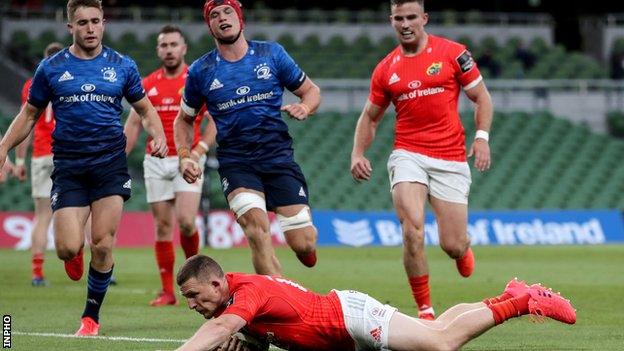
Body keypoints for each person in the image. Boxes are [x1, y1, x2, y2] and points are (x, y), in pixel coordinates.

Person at [0, 0, 167, 336]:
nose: (90, 29)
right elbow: (29, 115)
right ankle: (72, 253)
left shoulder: (122, 65)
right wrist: (3, 147)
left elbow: (146, 110)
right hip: (70, 167)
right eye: (82, 23)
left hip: (109, 165)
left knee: (103, 244)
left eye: (95, 21)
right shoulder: (51, 68)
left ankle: (91, 317)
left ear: (103, 23)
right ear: (70, 28)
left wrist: (159, 135)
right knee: (66, 247)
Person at [350, 0, 494, 320]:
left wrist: (481, 137)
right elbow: (370, 118)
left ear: (424, 18)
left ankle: (462, 249)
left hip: (450, 156)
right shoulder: (386, 68)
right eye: (399, 18)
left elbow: (481, 97)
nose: (405, 23)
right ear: (391, 21)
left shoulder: (454, 53)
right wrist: (357, 153)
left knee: (453, 245)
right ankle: (425, 309)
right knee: (412, 229)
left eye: (412, 17)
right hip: (408, 154)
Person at [174, 0, 321, 276]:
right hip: (237, 163)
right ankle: (279, 308)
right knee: (256, 231)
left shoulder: (272, 54)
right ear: (210, 26)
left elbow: (311, 91)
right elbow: (184, 119)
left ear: (241, 20)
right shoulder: (201, 70)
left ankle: (304, 246)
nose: (223, 18)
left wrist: (305, 107)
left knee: (304, 243)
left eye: (228, 12)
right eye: (215, 15)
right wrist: (184, 156)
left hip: (278, 158)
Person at [175, 254, 576, 351]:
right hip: (345, 328)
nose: (192, 304)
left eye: (194, 295)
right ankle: (509, 294)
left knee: (441, 344)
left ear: (215, 282)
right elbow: (255, 334)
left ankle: (521, 302)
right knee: (436, 331)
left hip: (350, 318)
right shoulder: (234, 297)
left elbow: (219, 328)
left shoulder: (245, 294)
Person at [124, 24, 215, 307]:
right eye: (164, 45)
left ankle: (196, 279)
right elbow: (133, 124)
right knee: (163, 227)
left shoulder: (196, 80)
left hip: (187, 159)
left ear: (184, 48)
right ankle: (167, 291)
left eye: (174, 44)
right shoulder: (147, 83)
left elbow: (212, 123)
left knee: (187, 222)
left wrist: (199, 150)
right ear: (158, 50)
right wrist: (118, 159)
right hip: (156, 161)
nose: (169, 50)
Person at [12, 42, 64, 287]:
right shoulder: (70, 79)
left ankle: (37, 273)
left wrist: (20, 160)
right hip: (67, 154)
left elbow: (27, 125)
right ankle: (96, 269)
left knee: (42, 216)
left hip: (42, 155)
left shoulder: (31, 85)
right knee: (83, 214)